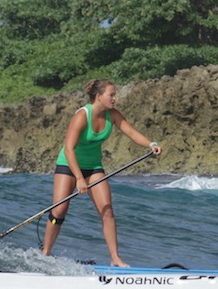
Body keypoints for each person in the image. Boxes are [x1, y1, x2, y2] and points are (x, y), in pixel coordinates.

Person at [42, 79, 162, 266]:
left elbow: (131, 132)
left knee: (107, 210)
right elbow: (68, 149)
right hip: (69, 164)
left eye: (115, 95)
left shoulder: (112, 115)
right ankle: (46, 253)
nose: (115, 98)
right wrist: (79, 179)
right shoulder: (82, 116)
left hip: (93, 166)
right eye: (111, 95)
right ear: (99, 96)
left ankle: (115, 258)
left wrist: (150, 144)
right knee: (59, 210)